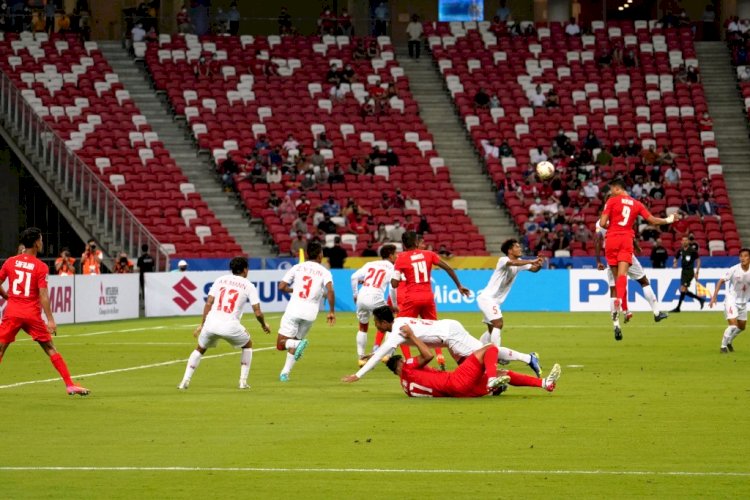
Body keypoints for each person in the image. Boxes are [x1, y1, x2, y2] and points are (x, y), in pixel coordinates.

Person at [343, 306, 544, 382]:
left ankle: (527, 359)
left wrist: (358, 375)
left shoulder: (396, 332)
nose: (375, 326)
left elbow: (381, 355)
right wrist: (369, 356)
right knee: (475, 361)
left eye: (377, 322)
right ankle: (525, 360)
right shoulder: (400, 323)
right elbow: (380, 351)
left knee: (484, 353)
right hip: (448, 331)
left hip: (449, 336)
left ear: (385, 322)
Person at [0, 228, 89, 396]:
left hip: (12, 312)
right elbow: (43, 295)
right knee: (50, 348)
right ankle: (69, 385)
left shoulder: (10, 262)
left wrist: (7, 296)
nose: (42, 243)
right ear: (35, 243)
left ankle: (70, 385)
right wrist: (50, 319)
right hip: (31, 314)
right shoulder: (40, 267)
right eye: (41, 240)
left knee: (1, 348)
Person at [383, 324, 561, 397]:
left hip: (460, 394)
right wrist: (413, 336)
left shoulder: (406, 388)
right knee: (489, 348)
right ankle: (493, 378)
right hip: (455, 382)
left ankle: (545, 383)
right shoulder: (406, 367)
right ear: (399, 364)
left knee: (504, 373)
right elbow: (427, 355)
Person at [178, 257, 270, 390]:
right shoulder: (249, 285)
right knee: (248, 344)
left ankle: (184, 381)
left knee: (200, 348)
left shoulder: (220, 280)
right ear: (245, 269)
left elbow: (209, 303)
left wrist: (203, 324)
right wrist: (263, 324)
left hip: (211, 323)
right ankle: (243, 382)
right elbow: (257, 312)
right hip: (230, 325)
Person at [599, 178, 677, 321]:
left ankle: (620, 305)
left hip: (611, 240)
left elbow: (603, 223)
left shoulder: (611, 201)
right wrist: (669, 219)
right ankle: (655, 312)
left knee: (617, 280)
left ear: (617, 189)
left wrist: (614, 226)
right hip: (626, 240)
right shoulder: (637, 204)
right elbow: (652, 220)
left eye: (611, 189)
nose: (610, 192)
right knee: (635, 278)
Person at [391, 231, 471, 369]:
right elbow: (448, 267)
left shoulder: (401, 258)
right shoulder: (429, 254)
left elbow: (394, 283)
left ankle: (402, 359)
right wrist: (459, 285)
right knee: (438, 330)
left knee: (400, 328)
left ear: (403, 245)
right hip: (428, 297)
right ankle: (449, 357)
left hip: (412, 298)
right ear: (416, 242)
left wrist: (396, 277)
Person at [475, 238, 543, 375]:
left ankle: (477, 352)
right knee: (498, 324)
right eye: (517, 247)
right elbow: (513, 262)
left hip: (493, 301)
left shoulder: (519, 263)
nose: (520, 249)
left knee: (491, 331)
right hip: (488, 298)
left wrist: (539, 264)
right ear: (510, 250)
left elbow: (534, 270)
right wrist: (531, 260)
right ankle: (495, 355)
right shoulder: (503, 260)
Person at [595, 221, 668, 341]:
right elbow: (629, 234)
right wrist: (637, 246)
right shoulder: (624, 216)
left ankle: (616, 326)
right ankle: (656, 312)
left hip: (612, 256)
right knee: (643, 281)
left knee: (614, 290)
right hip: (627, 254)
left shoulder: (600, 223)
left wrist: (598, 260)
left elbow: (597, 239)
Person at [276, 242, 335, 381]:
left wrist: (292, 290)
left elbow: (281, 286)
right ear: (320, 255)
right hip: (310, 314)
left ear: (307, 254)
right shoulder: (324, 271)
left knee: (281, 344)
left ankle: (297, 345)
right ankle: (285, 373)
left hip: (294, 309)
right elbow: (330, 290)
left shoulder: (297, 267)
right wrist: (331, 311)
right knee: (296, 340)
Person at [350, 244, 398, 366]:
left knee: (362, 327)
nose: (396, 256)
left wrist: (355, 294)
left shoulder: (370, 264)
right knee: (392, 325)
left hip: (362, 296)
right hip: (376, 298)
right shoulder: (393, 268)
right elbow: (393, 288)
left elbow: (354, 277)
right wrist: (394, 304)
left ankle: (361, 358)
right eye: (395, 254)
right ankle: (387, 355)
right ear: (391, 255)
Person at [710, 248, 750, 353]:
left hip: (743, 302)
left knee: (742, 327)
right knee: (733, 325)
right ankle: (723, 347)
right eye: (741, 256)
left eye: (745, 256)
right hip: (731, 300)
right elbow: (721, 281)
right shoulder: (734, 269)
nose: (743, 258)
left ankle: (729, 342)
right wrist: (714, 296)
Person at [671, 236, 705, 312]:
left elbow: (698, 261)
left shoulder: (692, 250)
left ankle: (678, 308)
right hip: (683, 272)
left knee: (683, 289)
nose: (685, 242)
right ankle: (700, 299)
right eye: (683, 240)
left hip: (689, 272)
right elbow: (676, 258)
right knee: (684, 291)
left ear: (688, 242)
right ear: (681, 242)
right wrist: (675, 263)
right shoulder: (680, 250)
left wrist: (697, 272)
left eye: (686, 240)